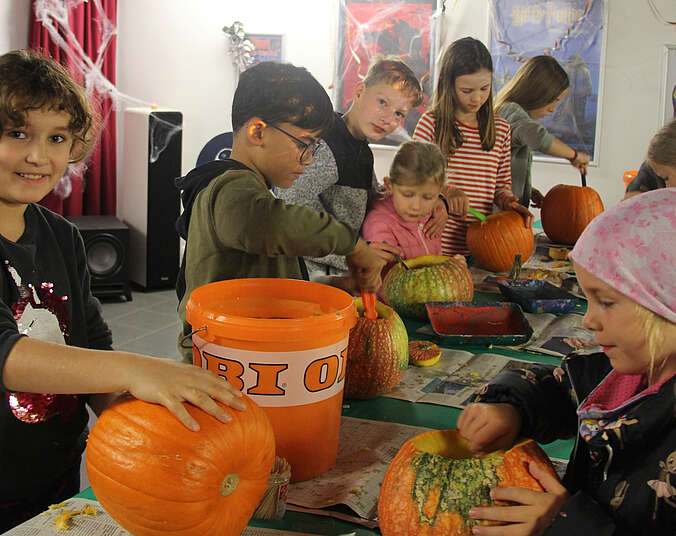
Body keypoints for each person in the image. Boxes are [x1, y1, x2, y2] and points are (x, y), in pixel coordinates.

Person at [0, 50, 245, 532]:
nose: (37, 156)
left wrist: (143, 426)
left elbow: (91, 345)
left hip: (56, 472)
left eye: (56, 138)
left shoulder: (63, 237)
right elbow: (8, 355)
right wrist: (139, 370)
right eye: (16, 133)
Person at [457, 188, 676, 534]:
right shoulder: (631, 369)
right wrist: (513, 408)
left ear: (666, 305)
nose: (588, 321)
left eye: (605, 302)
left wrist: (566, 525)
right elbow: (562, 389)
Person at [175, 61, 386, 362]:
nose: (310, 159)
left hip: (252, 360)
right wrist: (351, 243)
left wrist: (332, 285)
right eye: (305, 144)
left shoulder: (254, 191)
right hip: (224, 366)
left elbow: (265, 286)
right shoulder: (229, 188)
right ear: (258, 132)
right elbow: (268, 224)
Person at [276, 56, 444, 278]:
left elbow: (374, 198)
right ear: (359, 91)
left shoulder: (360, 147)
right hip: (310, 277)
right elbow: (290, 212)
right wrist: (354, 250)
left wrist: (437, 201)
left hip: (338, 275)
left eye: (399, 113)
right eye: (382, 102)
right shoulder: (328, 145)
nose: (388, 118)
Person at [413, 37, 532, 257]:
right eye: (467, 90)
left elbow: (501, 185)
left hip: (479, 247)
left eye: (484, 88)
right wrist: (446, 191)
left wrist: (508, 202)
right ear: (449, 85)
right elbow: (411, 178)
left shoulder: (502, 129)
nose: (477, 98)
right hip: (432, 244)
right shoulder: (430, 123)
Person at [494, 55, 591, 207]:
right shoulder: (511, 111)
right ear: (538, 93)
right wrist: (574, 155)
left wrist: (527, 190)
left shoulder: (510, 113)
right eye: (554, 100)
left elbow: (502, 171)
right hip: (497, 220)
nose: (553, 109)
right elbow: (537, 137)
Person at [362, 140, 445, 260]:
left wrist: (452, 267)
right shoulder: (379, 225)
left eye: (428, 197)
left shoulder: (433, 215)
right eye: (407, 195)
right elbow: (389, 273)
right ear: (389, 186)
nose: (416, 206)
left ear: (439, 193)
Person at [624, 118, 676, 199]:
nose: (667, 186)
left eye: (666, 178)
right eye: (664, 179)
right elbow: (632, 195)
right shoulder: (655, 169)